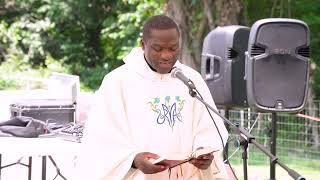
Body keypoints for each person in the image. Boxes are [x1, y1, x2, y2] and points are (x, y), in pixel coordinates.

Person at [77, 15, 229, 180]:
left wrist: (204, 153)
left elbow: (208, 127)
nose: (166, 55)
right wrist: (134, 159)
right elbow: (101, 137)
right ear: (143, 45)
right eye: (158, 49)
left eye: (173, 48)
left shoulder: (190, 79)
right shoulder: (118, 81)